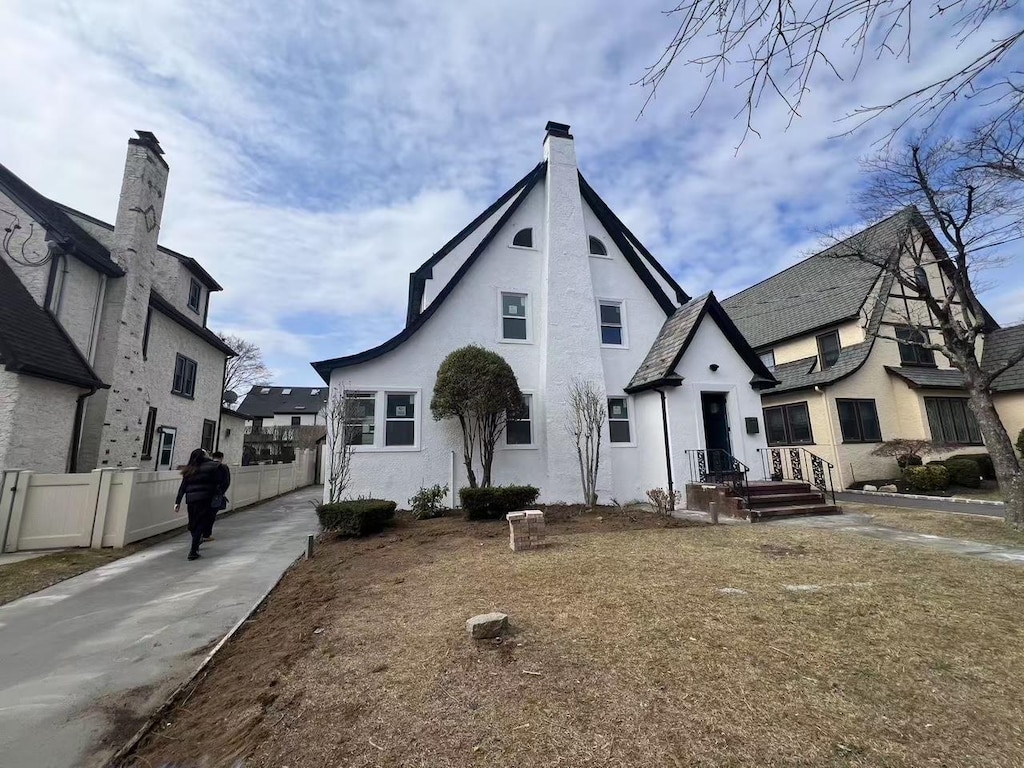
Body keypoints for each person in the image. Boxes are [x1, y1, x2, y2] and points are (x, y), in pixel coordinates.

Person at [174, 448, 224, 561]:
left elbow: (183, 487)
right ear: (204, 455)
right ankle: (193, 549)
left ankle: (195, 545)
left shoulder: (190, 469)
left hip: (191, 500)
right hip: (205, 499)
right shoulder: (213, 466)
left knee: (193, 523)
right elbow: (220, 481)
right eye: (206, 452)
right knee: (200, 523)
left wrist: (177, 501)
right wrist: (217, 493)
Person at [203, 451, 231, 541]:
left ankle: (201, 532)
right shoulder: (223, 467)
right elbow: (227, 482)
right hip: (216, 494)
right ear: (222, 457)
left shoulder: (207, 466)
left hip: (205, 494)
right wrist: (221, 492)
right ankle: (206, 534)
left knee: (204, 513)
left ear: (212, 457)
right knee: (212, 514)